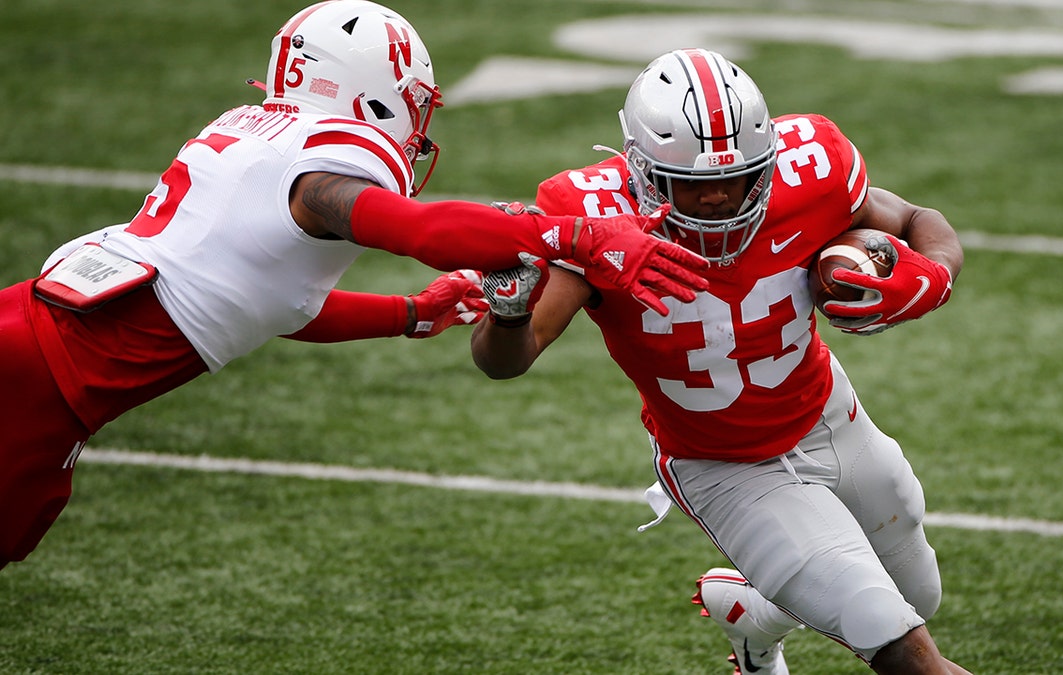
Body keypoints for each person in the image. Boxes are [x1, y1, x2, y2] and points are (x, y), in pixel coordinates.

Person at [0, 1, 710, 572]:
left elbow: (265, 303)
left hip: (27, 331)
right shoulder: (322, 169)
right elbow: (416, 231)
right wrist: (576, 235)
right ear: (368, 92)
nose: (417, 121)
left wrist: (409, 314)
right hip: (42, 382)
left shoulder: (256, 136)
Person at [471, 48, 969, 674]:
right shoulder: (596, 219)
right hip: (723, 466)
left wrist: (930, 277)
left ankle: (751, 616)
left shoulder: (812, 169)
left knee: (918, 597)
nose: (719, 201)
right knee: (892, 635)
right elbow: (506, 360)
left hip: (831, 418)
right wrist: (509, 312)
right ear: (641, 170)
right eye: (696, 186)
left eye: (737, 179)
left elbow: (921, 221)